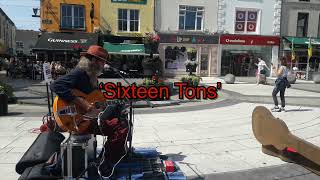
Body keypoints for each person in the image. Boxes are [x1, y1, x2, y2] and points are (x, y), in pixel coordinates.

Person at [50, 45, 129, 177]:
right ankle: (107, 164)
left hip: (87, 119)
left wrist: (112, 105)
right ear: (94, 61)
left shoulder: (91, 76)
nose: (104, 65)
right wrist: (81, 102)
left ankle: (115, 154)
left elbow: (95, 101)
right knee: (120, 127)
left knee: (122, 121)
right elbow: (56, 85)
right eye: (102, 62)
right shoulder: (79, 73)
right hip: (78, 120)